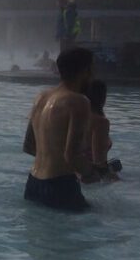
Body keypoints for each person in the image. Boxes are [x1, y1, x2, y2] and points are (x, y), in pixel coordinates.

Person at [22, 47, 94, 211]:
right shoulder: (78, 101)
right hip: (60, 184)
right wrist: (92, 173)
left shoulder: (40, 97)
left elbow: (29, 146)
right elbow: (71, 155)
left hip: (33, 183)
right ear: (85, 71)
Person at [81, 80, 120, 183]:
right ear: (103, 97)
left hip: (73, 171)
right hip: (89, 176)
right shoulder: (100, 121)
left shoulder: (77, 116)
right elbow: (99, 162)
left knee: (116, 164)